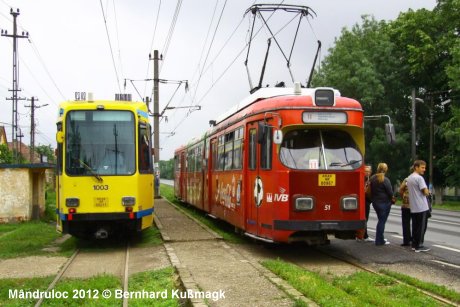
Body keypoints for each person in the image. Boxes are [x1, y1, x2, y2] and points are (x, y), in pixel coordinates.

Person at [406, 160, 431, 253]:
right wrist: (428, 192)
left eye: (424, 167)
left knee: (415, 227)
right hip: (421, 206)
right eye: (422, 167)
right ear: (416, 167)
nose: (424, 170)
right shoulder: (419, 178)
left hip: (413, 206)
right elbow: (425, 191)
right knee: (421, 227)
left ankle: (414, 245)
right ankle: (419, 246)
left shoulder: (409, 178)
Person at [370, 162, 393, 246]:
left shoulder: (372, 178)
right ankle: (379, 240)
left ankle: (380, 238)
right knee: (382, 221)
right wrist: (392, 198)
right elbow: (390, 192)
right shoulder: (385, 179)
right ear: (386, 169)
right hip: (384, 203)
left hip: (375, 202)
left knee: (380, 220)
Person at [356, 165, 374, 242]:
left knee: (365, 218)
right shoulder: (362, 179)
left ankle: (363, 235)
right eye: (366, 171)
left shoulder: (369, 179)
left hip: (367, 201)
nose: (367, 173)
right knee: (364, 218)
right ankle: (363, 235)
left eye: (368, 171)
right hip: (362, 201)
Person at [398, 176, 412, 246]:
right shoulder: (420, 179)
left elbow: (400, 190)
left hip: (406, 205)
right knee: (416, 224)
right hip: (416, 206)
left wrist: (404, 196)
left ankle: (406, 240)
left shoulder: (406, 179)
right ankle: (415, 240)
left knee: (406, 223)